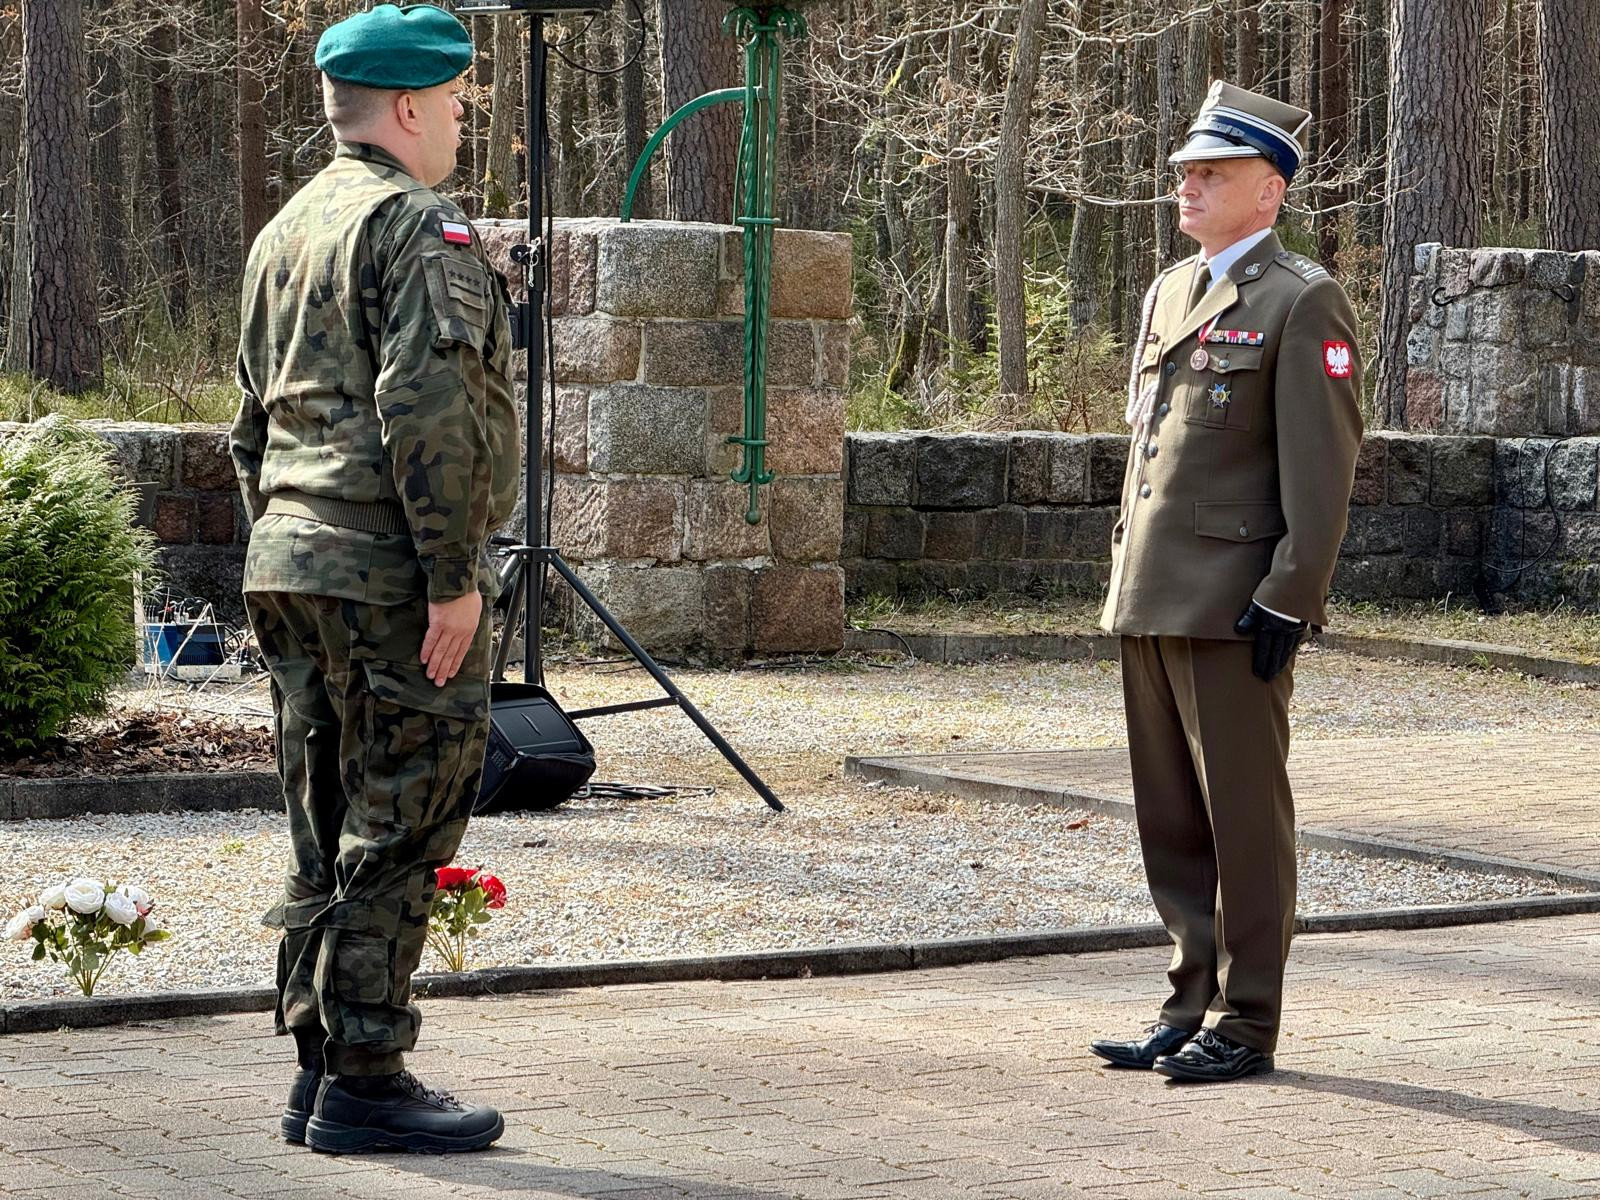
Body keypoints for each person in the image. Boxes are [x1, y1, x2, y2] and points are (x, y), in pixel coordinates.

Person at [230, 4, 520, 1153]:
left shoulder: (285, 231)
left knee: (325, 820)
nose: (458, 123)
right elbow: (432, 407)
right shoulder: (416, 229)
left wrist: (284, 539)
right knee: (404, 817)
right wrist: (452, 575)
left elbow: (249, 427)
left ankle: (318, 1070)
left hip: (291, 560)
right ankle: (365, 1078)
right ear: (407, 107)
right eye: (452, 104)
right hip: (391, 571)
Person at [1090, 81, 1363, 1083]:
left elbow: (1321, 469)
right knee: (1171, 820)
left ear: (1270, 192)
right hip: (1153, 593)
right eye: (1184, 173)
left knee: (1244, 822)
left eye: (1212, 173)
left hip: (1235, 604)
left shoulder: (1302, 302)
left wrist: (1289, 593)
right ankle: (1186, 1000)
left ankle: (1247, 1023)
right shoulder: (1170, 289)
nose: (1188, 187)